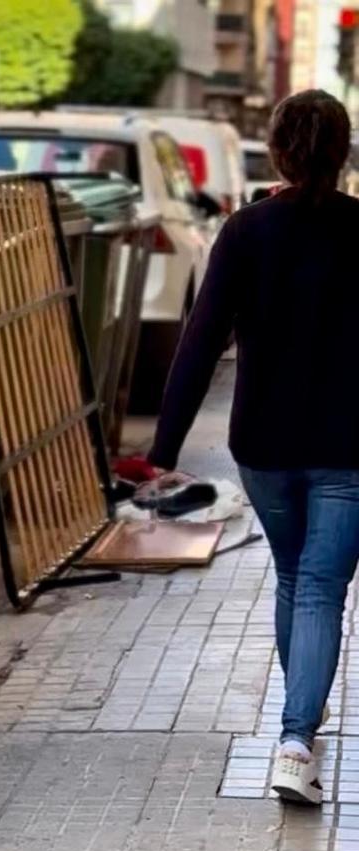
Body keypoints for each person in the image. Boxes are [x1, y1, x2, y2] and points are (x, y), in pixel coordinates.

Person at [148, 89, 359, 806]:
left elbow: (201, 340)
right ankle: (296, 740)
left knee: (296, 579)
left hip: (263, 445)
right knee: (322, 588)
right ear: (342, 151)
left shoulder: (246, 230)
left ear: (278, 151)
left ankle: (302, 713)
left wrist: (164, 446)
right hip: (346, 445)